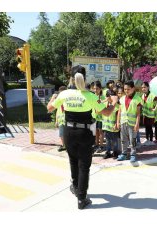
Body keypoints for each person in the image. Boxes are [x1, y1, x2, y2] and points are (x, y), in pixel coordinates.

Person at [47, 65, 118, 210]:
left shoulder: (64, 94)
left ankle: (75, 186)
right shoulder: (90, 96)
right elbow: (106, 112)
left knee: (73, 161)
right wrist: (115, 103)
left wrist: (54, 97)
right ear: (84, 78)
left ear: (71, 79)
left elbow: (49, 108)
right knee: (84, 166)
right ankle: (82, 198)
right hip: (85, 134)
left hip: (68, 132)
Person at [116, 80, 141, 163]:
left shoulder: (137, 99)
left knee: (132, 140)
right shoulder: (122, 99)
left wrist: (137, 124)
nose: (126, 91)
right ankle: (124, 154)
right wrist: (117, 122)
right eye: (125, 89)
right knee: (123, 140)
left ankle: (133, 154)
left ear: (133, 88)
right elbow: (119, 111)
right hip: (123, 122)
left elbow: (138, 113)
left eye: (128, 89)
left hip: (132, 123)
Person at [102, 89, 120, 159]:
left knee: (115, 140)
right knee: (107, 140)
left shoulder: (117, 105)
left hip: (113, 127)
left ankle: (115, 152)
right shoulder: (104, 104)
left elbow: (118, 115)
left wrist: (116, 123)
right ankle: (108, 152)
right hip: (106, 127)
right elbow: (97, 105)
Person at [92, 81, 105, 153]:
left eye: (97, 88)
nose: (95, 90)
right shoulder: (92, 96)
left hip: (101, 118)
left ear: (100, 89)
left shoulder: (103, 97)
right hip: (94, 117)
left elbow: (104, 107)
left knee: (100, 132)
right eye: (94, 88)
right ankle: (96, 145)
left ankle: (101, 145)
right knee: (95, 132)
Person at [55, 86, 67, 151]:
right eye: (60, 93)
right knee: (61, 134)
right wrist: (56, 121)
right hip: (60, 120)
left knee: (68, 134)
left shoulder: (67, 100)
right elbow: (57, 111)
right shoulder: (59, 101)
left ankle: (68, 146)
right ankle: (63, 145)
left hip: (67, 120)